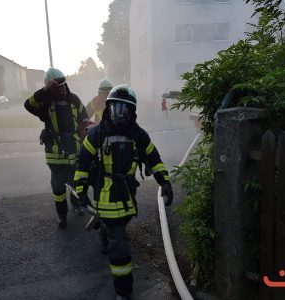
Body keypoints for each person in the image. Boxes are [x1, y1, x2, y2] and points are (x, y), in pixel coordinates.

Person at [74, 84, 174, 300]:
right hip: (106, 196)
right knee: (120, 245)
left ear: (132, 112)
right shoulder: (97, 134)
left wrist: (164, 182)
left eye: (124, 109)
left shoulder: (138, 134)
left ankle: (105, 231)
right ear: (108, 108)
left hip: (128, 196)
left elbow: (154, 159)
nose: (119, 114)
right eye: (115, 108)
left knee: (116, 229)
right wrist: (80, 190)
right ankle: (123, 292)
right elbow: (82, 163)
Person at [24, 67, 89, 229]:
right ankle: (61, 214)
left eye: (61, 86)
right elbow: (28, 105)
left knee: (75, 180)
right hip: (55, 152)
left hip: (74, 149)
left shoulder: (73, 99)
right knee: (58, 185)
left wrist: (89, 128)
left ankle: (77, 205)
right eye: (55, 87)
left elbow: (84, 117)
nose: (60, 90)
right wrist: (44, 90)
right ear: (49, 87)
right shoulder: (45, 103)